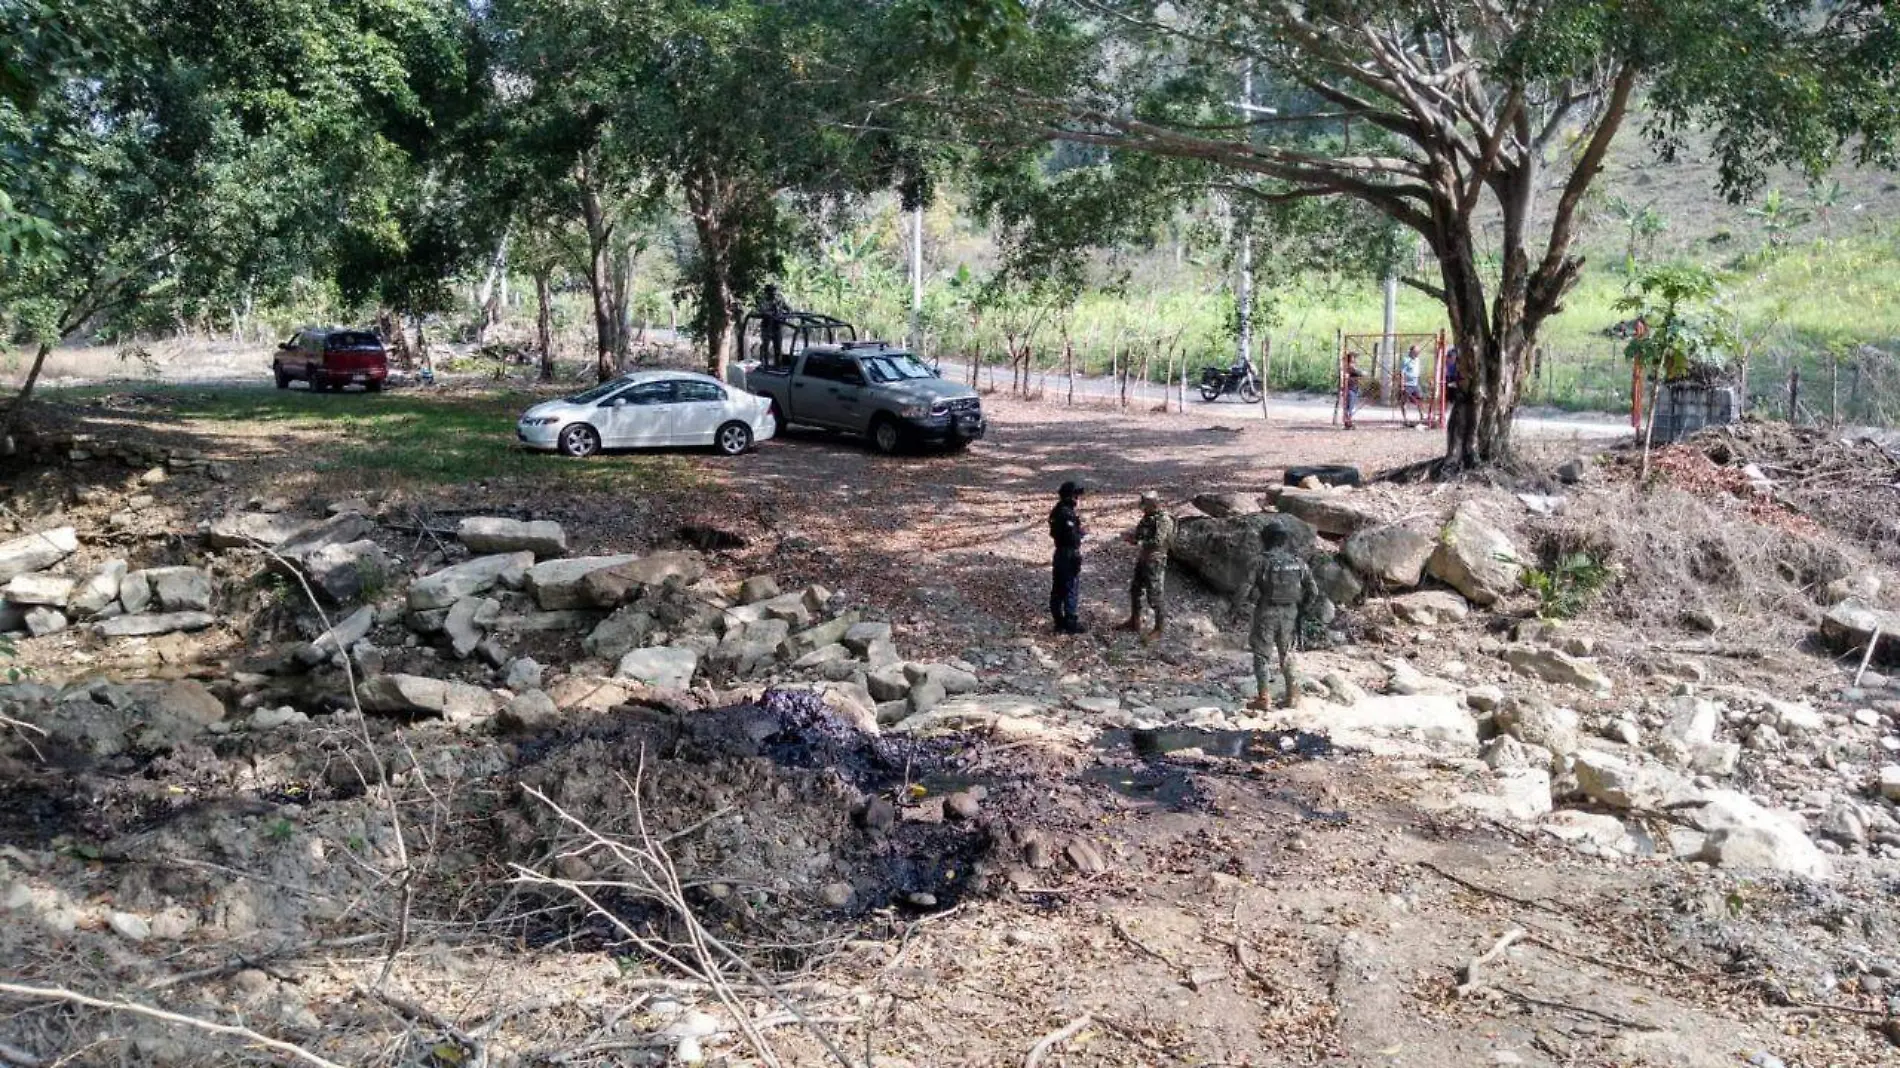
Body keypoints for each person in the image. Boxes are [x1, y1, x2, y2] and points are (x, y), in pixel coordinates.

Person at [1245, 524, 1317, 711]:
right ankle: (1292, 695)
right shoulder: (1298, 562)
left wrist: (1235, 608)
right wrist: (1302, 609)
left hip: (1266, 613)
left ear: (1266, 539)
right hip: (1290, 614)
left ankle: (1264, 697)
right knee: (1288, 653)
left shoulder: (1261, 561)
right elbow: (1313, 591)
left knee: (1262, 654)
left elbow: (1244, 588)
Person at [1118, 491, 1176, 641]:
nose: (1143, 509)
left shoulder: (1164, 520)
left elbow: (1158, 541)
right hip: (1144, 558)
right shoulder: (1148, 518)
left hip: (1155, 560)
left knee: (1155, 596)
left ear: (1153, 504)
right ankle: (1134, 621)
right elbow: (1140, 533)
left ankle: (1159, 628)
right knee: (1135, 590)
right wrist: (1132, 537)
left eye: (1145, 506)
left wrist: (1138, 542)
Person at [1048, 481, 1087, 634]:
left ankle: (1058, 621)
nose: (1078, 499)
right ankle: (1070, 622)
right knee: (1070, 587)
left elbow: (1054, 532)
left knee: (1057, 587)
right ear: (1070, 496)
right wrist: (1081, 533)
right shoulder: (1066, 514)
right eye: (1076, 495)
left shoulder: (1057, 511)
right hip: (1069, 554)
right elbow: (1073, 538)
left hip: (1059, 554)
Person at [1398, 344, 1425, 426]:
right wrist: (1402, 385)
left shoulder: (1417, 360)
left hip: (1415, 383)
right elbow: (1402, 373)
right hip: (1407, 384)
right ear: (1411, 352)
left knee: (1419, 399)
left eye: (1418, 352)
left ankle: (1422, 416)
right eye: (1416, 352)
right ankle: (1405, 418)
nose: (1417, 354)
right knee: (1404, 401)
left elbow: (1417, 372)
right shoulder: (1405, 360)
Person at [1342, 350, 1365, 429]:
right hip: (1350, 388)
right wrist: (1362, 373)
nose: (1354, 359)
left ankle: (1348, 421)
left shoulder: (1351, 366)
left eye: (1355, 357)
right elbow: (1359, 373)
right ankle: (1348, 422)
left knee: (1351, 407)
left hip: (1354, 388)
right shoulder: (1349, 367)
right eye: (1353, 357)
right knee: (1349, 407)